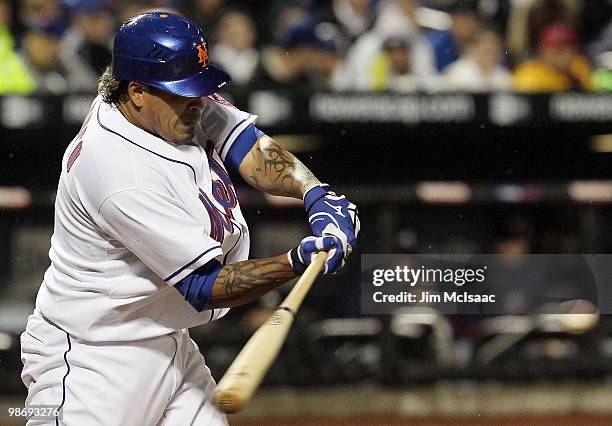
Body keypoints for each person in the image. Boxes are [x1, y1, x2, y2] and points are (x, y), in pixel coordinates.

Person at [20, 11, 359, 426]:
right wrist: (295, 261)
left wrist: (316, 194)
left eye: (198, 88)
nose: (197, 102)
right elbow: (203, 286)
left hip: (165, 337)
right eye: (182, 92)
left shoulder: (167, 107)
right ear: (137, 91)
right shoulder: (118, 172)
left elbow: (248, 146)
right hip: (94, 359)